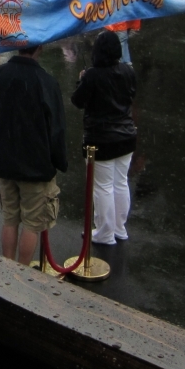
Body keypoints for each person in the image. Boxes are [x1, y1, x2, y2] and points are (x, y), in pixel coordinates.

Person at [0, 45, 68, 266]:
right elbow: (56, 128)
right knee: (32, 223)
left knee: (9, 218)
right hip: (35, 164)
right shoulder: (46, 81)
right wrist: (59, 160)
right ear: (40, 47)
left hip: (4, 161)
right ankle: (22, 272)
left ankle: (8, 268)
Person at [70, 31, 137, 245]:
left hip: (101, 139)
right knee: (121, 183)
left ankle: (105, 232)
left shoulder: (93, 75)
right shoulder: (127, 71)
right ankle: (119, 228)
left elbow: (78, 101)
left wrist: (82, 80)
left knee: (103, 187)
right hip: (126, 137)